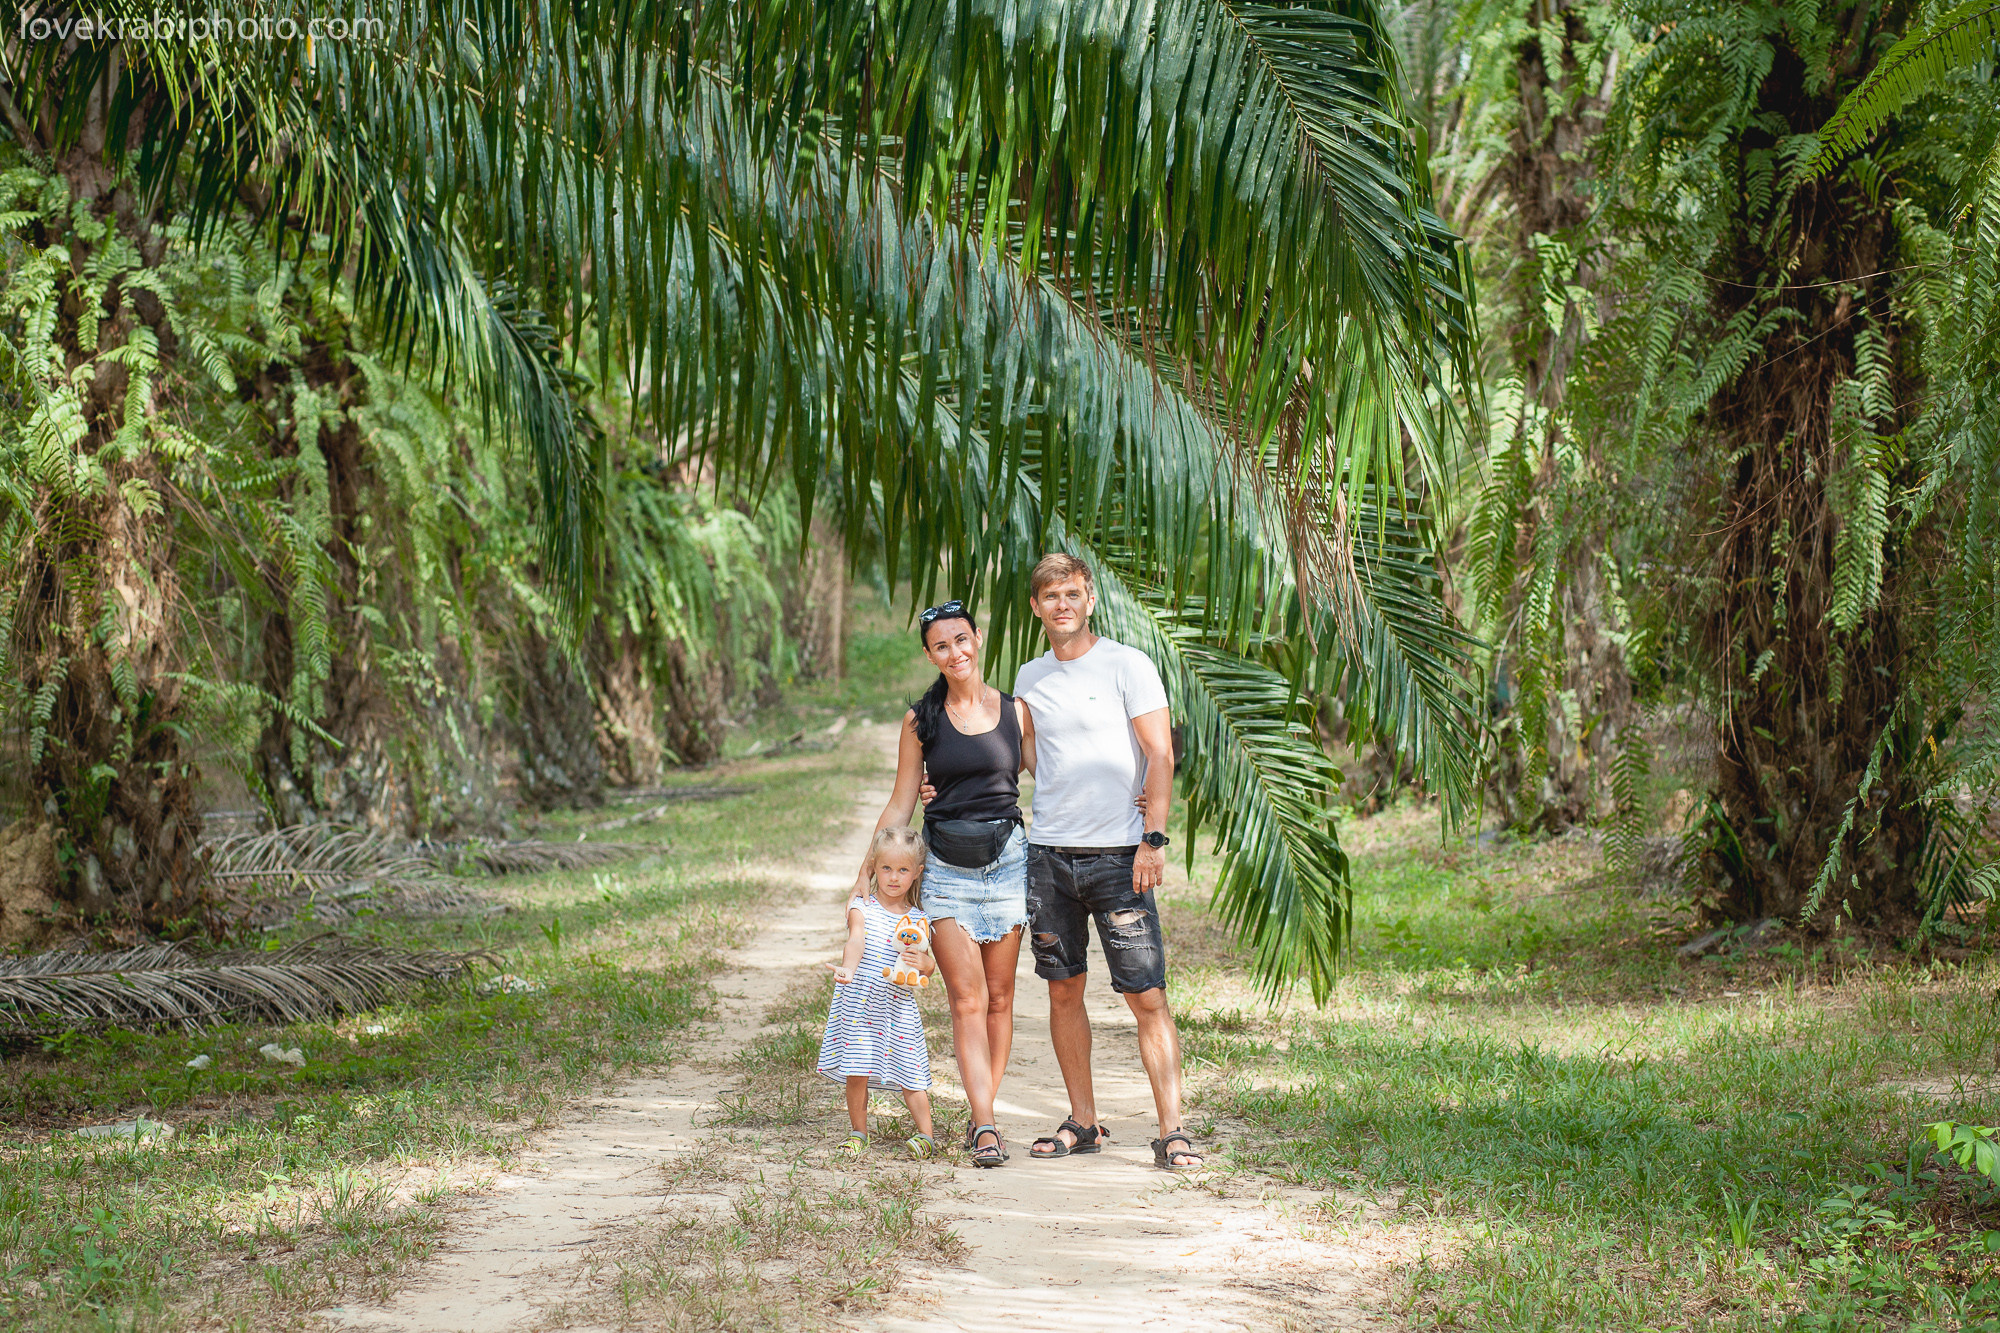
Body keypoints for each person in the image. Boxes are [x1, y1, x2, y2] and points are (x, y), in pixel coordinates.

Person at [1013, 554, 1205, 1171]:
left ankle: (1172, 1130)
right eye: (1051, 596)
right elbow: (1024, 758)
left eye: (1072, 593)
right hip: (1049, 857)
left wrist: (1154, 838)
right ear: (1036, 607)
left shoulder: (1128, 664)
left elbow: (1161, 753)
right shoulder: (1029, 677)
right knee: (1063, 991)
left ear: (1089, 599)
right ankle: (1085, 1122)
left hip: (1121, 857)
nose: (1062, 604)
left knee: (1146, 994)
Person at [857, 599, 1033, 1168]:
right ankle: (984, 1125)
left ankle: (985, 1112)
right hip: (948, 873)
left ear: (978, 639)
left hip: (1007, 863)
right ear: (930, 655)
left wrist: (1134, 798)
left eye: (961, 640)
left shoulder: (1017, 711)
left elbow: (1053, 776)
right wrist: (865, 881)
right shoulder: (920, 721)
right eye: (941, 646)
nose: (954, 653)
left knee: (1001, 997)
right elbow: (901, 800)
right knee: (966, 998)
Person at [818, 826, 938, 1157]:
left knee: (910, 1071)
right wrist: (849, 969)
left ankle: (926, 1135)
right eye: (886, 868)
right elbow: (856, 939)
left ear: (917, 873)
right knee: (857, 1070)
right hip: (860, 1002)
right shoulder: (863, 907)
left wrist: (922, 962)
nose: (894, 877)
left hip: (896, 1007)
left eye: (903, 870)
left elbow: (928, 967)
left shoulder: (918, 919)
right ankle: (858, 1132)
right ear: (874, 866)